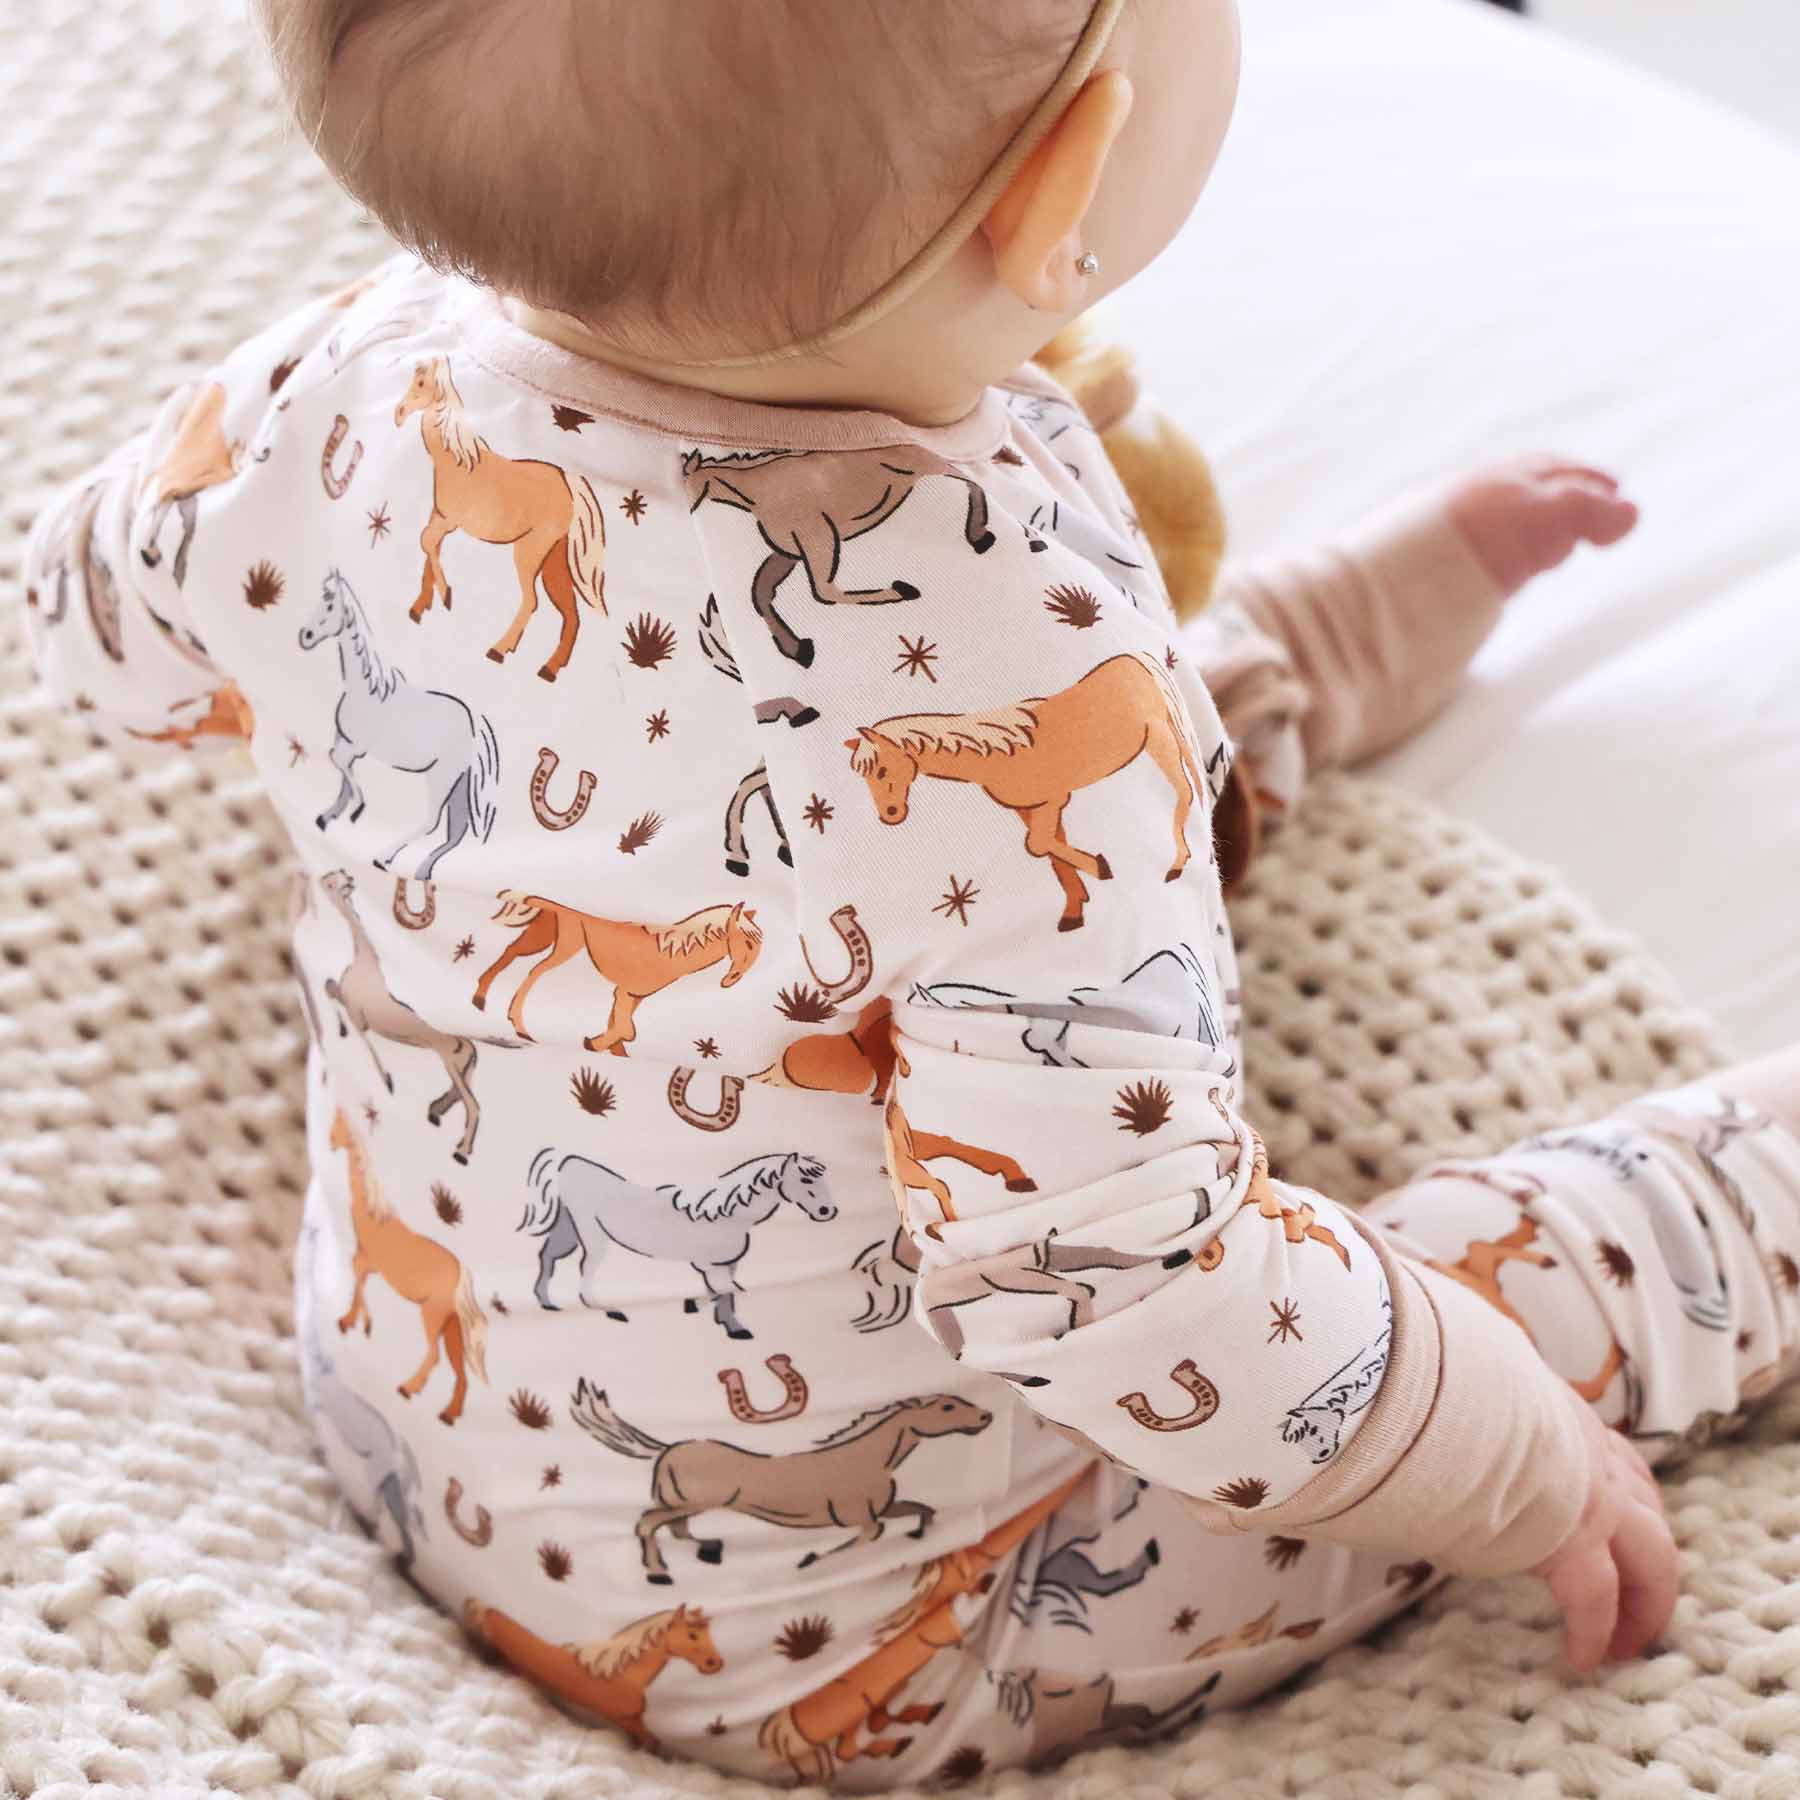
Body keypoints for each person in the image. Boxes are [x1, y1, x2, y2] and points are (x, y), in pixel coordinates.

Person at [20, 1, 1800, 1787]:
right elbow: (1130, 1292)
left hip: (412, 1423)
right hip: (894, 1628)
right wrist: (1517, 1462)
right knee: (1492, 1288)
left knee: (1017, 821)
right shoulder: (1002, 639)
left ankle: (1310, 655)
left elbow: (96, 632)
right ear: (1066, 189)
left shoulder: (338, 382)